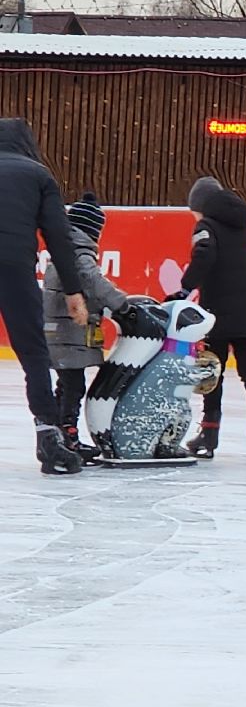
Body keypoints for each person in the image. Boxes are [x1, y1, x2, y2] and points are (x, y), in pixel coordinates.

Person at [0, 117, 90, 475]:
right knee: (34, 354)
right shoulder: (38, 175)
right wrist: (73, 289)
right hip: (14, 269)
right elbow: (59, 237)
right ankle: (48, 438)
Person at [180, 176, 246, 461]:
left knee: (212, 370)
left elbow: (204, 256)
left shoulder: (205, 227)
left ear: (200, 205)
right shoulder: (244, 227)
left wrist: (184, 288)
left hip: (218, 311)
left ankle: (209, 433)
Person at [43, 192, 132, 461]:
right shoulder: (80, 253)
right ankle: (68, 435)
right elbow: (93, 281)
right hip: (68, 332)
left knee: (66, 384)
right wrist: (122, 304)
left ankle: (59, 433)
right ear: (92, 231)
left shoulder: (64, 249)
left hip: (59, 331)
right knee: (73, 386)